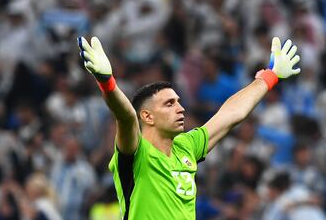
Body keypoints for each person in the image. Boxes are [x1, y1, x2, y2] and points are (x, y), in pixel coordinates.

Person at [77, 35, 301, 219]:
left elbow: (231, 115)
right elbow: (126, 117)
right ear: (147, 116)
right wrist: (107, 83)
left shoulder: (187, 147)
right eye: (169, 103)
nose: (181, 109)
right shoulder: (136, 153)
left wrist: (270, 77)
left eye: (179, 102)